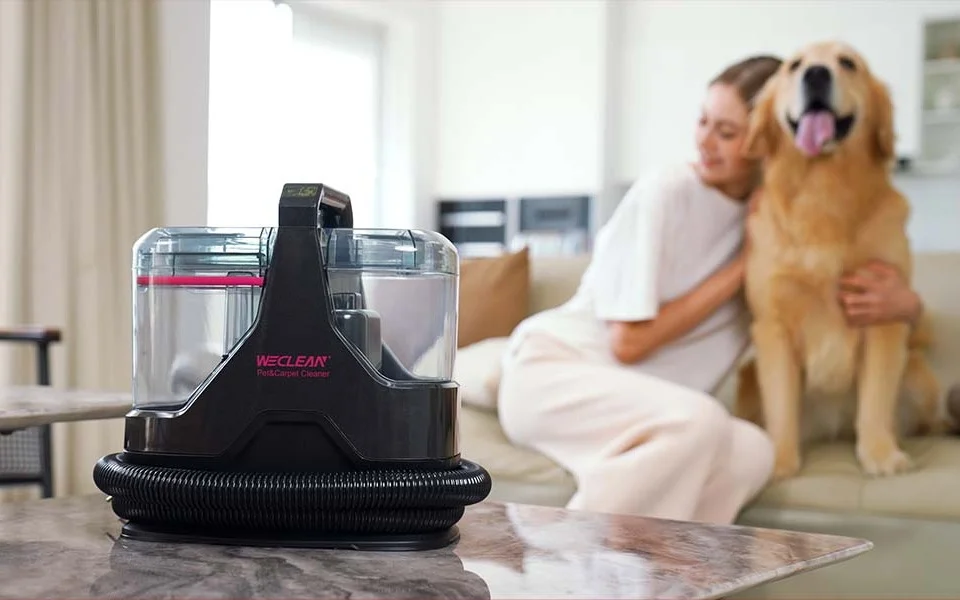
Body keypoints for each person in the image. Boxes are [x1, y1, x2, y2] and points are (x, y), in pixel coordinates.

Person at [496, 54, 926, 525]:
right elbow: (628, 343)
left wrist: (908, 306)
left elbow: (832, 305)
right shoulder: (665, 192)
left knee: (754, 452)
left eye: (726, 132)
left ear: (765, 140)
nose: (704, 141)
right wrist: (746, 264)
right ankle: (566, 558)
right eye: (703, 122)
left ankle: (661, 567)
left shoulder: (779, 217)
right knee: (700, 419)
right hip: (555, 374)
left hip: (651, 407)